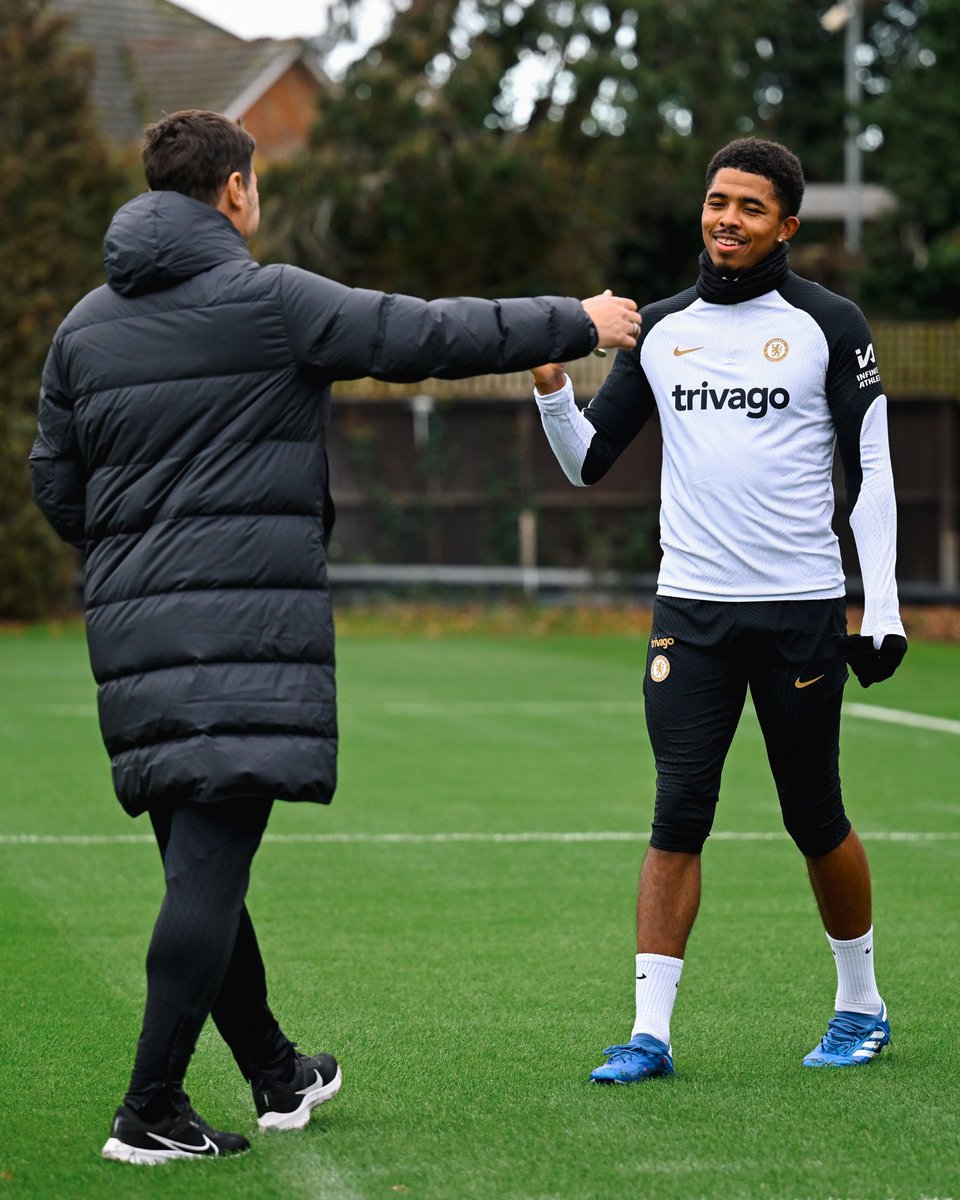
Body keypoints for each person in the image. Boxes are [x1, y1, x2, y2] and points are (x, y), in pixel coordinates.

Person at [29, 109, 640, 1163]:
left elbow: (55, 483)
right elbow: (432, 335)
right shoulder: (272, 301)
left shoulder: (82, 326)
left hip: (133, 636)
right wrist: (575, 320)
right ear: (233, 192)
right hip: (245, 629)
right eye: (256, 184)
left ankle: (275, 1070)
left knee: (199, 867)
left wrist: (141, 557)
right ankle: (149, 1109)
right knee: (210, 873)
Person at [530, 137, 906, 1084]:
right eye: (715, 201)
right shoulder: (659, 328)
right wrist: (548, 389)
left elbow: (872, 473)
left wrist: (886, 605)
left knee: (814, 814)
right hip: (690, 611)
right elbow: (587, 461)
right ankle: (648, 1034)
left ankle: (860, 1005)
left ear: (785, 224)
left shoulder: (833, 324)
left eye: (748, 206)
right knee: (677, 813)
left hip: (800, 612)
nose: (725, 219)